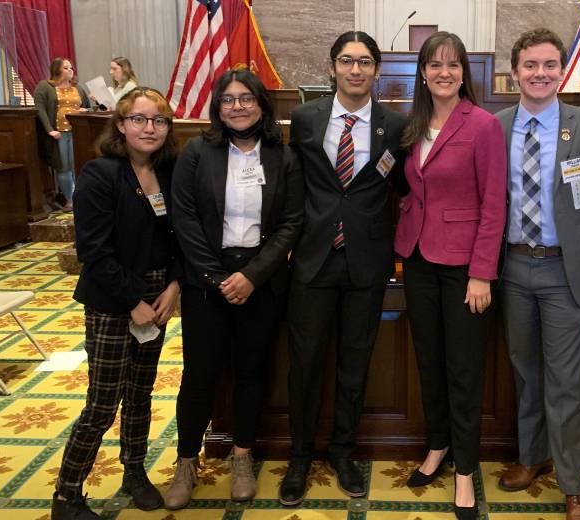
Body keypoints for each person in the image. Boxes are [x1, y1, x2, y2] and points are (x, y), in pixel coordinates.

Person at [494, 28, 580, 520]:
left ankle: (574, 483)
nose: (540, 74)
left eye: (549, 65)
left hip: (567, 271)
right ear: (515, 72)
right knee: (526, 373)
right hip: (513, 268)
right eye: (531, 65)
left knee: (566, 380)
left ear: (561, 70)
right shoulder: (496, 125)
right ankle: (532, 457)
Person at [166, 68, 303, 509]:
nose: (238, 106)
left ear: (262, 104)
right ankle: (187, 461)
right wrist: (215, 278)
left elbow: (290, 223)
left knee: (251, 372)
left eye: (246, 98)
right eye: (228, 99)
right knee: (199, 375)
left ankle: (242, 456)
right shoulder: (196, 154)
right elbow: (184, 220)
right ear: (217, 107)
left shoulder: (283, 156)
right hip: (207, 281)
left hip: (260, 280)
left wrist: (253, 276)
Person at [280, 31, 407, 505]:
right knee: (305, 364)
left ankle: (342, 451)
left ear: (377, 70)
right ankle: (299, 457)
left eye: (366, 62)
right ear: (332, 66)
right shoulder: (307, 118)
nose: (356, 70)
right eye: (347, 61)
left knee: (355, 365)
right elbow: (297, 188)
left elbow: (401, 189)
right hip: (312, 260)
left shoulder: (393, 127)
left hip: (366, 263)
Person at [50, 87, 182, 520]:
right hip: (112, 299)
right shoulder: (100, 174)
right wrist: (132, 302)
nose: (150, 128)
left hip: (158, 295)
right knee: (103, 401)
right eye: (140, 119)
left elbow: (180, 236)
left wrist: (175, 285)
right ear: (121, 125)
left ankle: (133, 471)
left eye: (159, 120)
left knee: (141, 394)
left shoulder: (171, 171)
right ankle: (67, 494)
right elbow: (93, 249)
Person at [394, 31, 506, 520]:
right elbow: (410, 186)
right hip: (417, 259)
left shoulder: (482, 126)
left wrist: (482, 273)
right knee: (429, 360)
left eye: (453, 64)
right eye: (435, 65)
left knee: (463, 370)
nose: (444, 72)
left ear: (465, 72)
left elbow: (494, 205)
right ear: (423, 72)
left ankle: (464, 469)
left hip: (465, 268)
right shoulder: (412, 124)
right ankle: (437, 445)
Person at [34, 58, 92, 211]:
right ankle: (71, 199)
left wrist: (84, 111)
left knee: (77, 167)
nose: (70, 70)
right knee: (63, 167)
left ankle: (80, 197)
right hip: (59, 133)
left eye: (71, 67)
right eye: (66, 68)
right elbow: (40, 108)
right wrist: (49, 129)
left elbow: (88, 108)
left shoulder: (78, 88)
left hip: (77, 132)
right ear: (57, 70)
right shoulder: (45, 86)